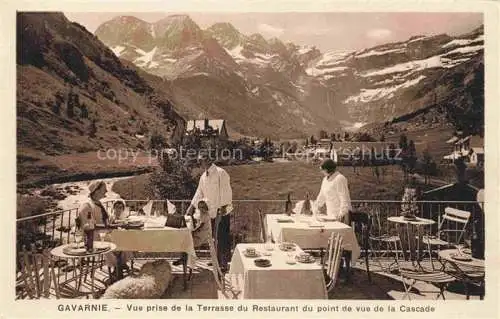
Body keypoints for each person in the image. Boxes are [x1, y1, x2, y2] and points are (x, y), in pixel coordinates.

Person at [186, 153, 233, 272]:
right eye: (199, 161)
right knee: (213, 238)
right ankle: (216, 260)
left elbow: (226, 191)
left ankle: (223, 264)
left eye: (201, 161)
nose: (200, 164)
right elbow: (199, 192)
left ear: (208, 160)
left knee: (222, 237)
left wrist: (222, 209)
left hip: (221, 212)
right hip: (210, 213)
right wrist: (191, 207)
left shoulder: (220, 173)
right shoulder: (203, 176)